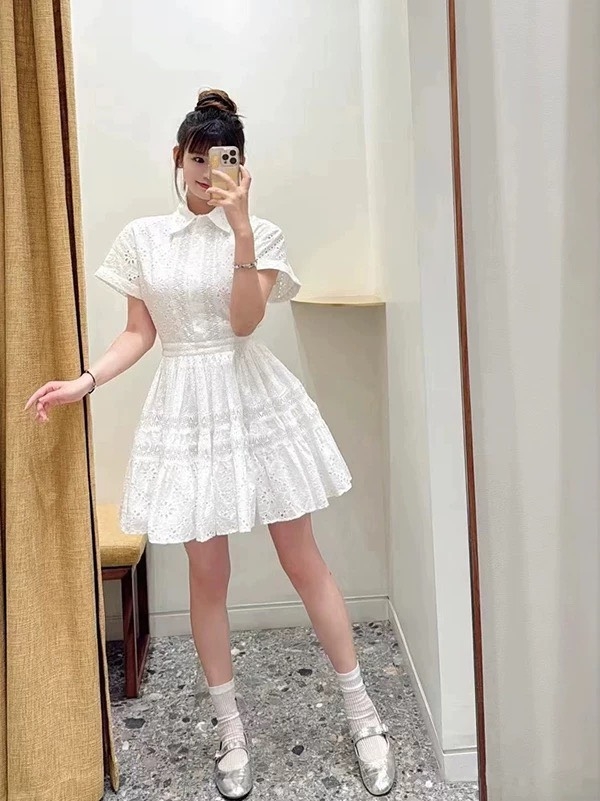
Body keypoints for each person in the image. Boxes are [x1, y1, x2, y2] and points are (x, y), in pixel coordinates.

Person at [25, 89, 396, 799]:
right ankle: (230, 731)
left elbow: (246, 322)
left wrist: (242, 230)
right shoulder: (143, 239)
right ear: (178, 157)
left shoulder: (261, 233)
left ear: (241, 165)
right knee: (207, 573)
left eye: (222, 159)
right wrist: (84, 381)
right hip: (187, 408)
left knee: (303, 557)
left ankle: (364, 716)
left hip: (252, 395)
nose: (207, 172)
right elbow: (140, 333)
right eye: (197, 158)